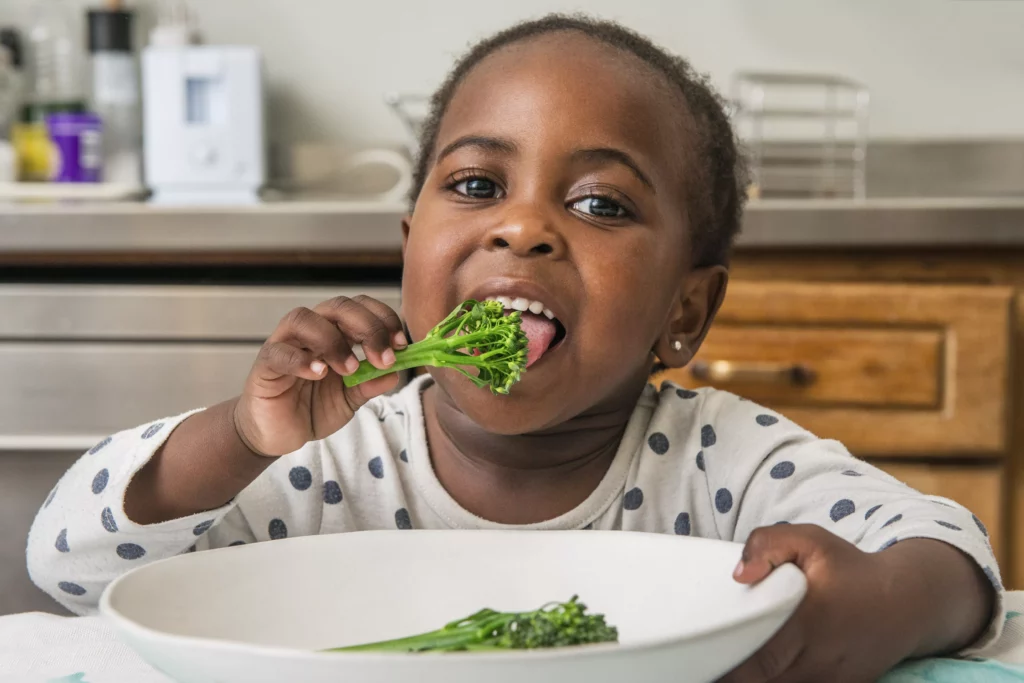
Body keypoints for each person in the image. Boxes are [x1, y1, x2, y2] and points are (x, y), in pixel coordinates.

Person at [28, 14, 1000, 682]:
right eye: (478, 185)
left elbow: (957, 560)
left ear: (685, 311)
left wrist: (875, 600)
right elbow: (67, 565)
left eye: (599, 204)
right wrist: (241, 434)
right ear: (410, 251)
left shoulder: (728, 463)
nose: (523, 228)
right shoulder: (318, 459)